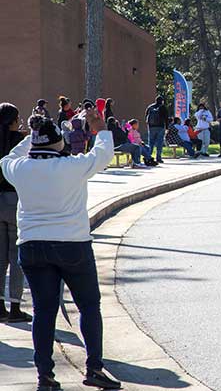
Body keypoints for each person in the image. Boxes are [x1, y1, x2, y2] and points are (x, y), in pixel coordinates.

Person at [0, 109, 122, 391]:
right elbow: (103, 154)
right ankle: (94, 368)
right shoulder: (74, 166)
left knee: (44, 311)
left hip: (32, 246)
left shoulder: (20, 169)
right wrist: (100, 128)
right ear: (57, 144)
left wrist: (32, 135)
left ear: (34, 144)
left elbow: (6, 158)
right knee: (89, 307)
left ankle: (45, 376)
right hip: (72, 244)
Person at [0, 103, 31, 324]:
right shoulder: (19, 143)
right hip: (14, 199)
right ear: (11, 121)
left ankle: (0, 306)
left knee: (0, 259)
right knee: (15, 257)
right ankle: (15, 308)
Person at [145, 95, 169, 163]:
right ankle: (158, 157)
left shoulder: (150, 107)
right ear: (162, 101)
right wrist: (167, 127)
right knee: (159, 143)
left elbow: (146, 117)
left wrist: (149, 125)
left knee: (151, 143)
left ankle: (148, 157)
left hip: (151, 127)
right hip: (160, 127)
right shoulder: (163, 107)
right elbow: (166, 118)